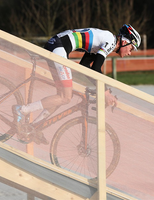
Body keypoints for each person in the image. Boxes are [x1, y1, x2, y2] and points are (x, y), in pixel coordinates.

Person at [13, 24, 141, 144]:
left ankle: (34, 126)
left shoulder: (105, 41)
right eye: (131, 48)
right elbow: (96, 68)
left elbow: (85, 67)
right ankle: (22, 110)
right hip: (59, 46)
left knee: (61, 97)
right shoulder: (110, 40)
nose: (130, 52)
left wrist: (101, 89)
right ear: (124, 41)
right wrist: (105, 92)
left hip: (57, 45)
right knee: (66, 97)